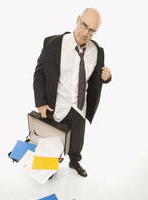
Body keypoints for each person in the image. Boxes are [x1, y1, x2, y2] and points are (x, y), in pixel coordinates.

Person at [33, 8, 112, 177]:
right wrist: (40, 102)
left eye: (92, 30)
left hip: (79, 105)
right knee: (52, 141)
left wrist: (107, 78)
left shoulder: (97, 51)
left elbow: (98, 77)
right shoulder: (53, 43)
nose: (85, 33)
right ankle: (49, 166)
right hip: (57, 104)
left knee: (77, 140)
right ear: (78, 20)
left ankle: (74, 161)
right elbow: (39, 74)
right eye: (84, 25)